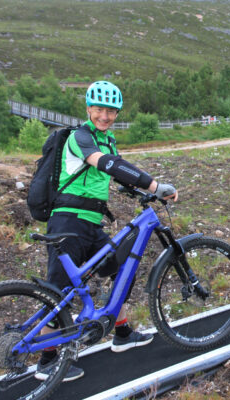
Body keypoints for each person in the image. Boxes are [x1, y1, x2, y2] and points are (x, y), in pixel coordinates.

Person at [35, 81, 178, 382]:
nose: (104, 116)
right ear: (88, 109)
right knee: (59, 289)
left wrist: (139, 192)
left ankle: (122, 332)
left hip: (90, 223)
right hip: (68, 221)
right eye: (99, 109)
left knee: (122, 267)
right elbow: (107, 164)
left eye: (111, 111)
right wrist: (152, 184)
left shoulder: (107, 139)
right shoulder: (80, 137)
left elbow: (111, 173)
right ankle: (47, 361)